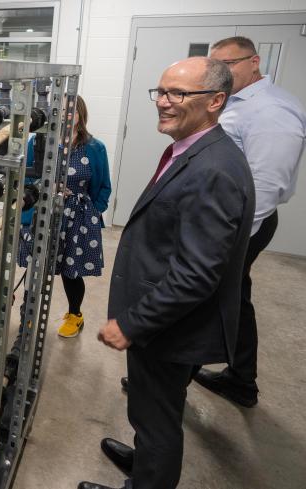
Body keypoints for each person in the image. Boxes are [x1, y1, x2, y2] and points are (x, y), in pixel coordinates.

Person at [80, 57, 254, 489]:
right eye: (160, 91)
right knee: (155, 407)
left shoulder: (214, 168)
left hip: (169, 327)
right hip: (165, 320)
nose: (163, 102)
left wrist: (133, 324)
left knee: (155, 418)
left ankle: (149, 475)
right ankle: (145, 462)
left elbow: (196, 274)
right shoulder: (194, 149)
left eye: (178, 94)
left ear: (216, 101)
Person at [191, 36, 306, 407]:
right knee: (233, 296)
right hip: (220, 218)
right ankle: (241, 380)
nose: (220, 73)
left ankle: (172, 377)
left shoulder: (272, 111)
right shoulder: (233, 101)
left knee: (200, 296)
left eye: (229, 64)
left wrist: (230, 241)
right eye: (215, 66)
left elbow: (265, 186)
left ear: (254, 62)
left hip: (237, 224)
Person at [17, 95, 111, 338]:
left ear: (81, 114)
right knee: (36, 268)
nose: (67, 117)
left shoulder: (94, 147)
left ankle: (75, 315)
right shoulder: (39, 142)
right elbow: (27, 178)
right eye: (61, 112)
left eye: (72, 112)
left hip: (77, 217)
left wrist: (93, 211)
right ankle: (28, 314)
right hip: (43, 211)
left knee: (72, 270)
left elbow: (103, 187)